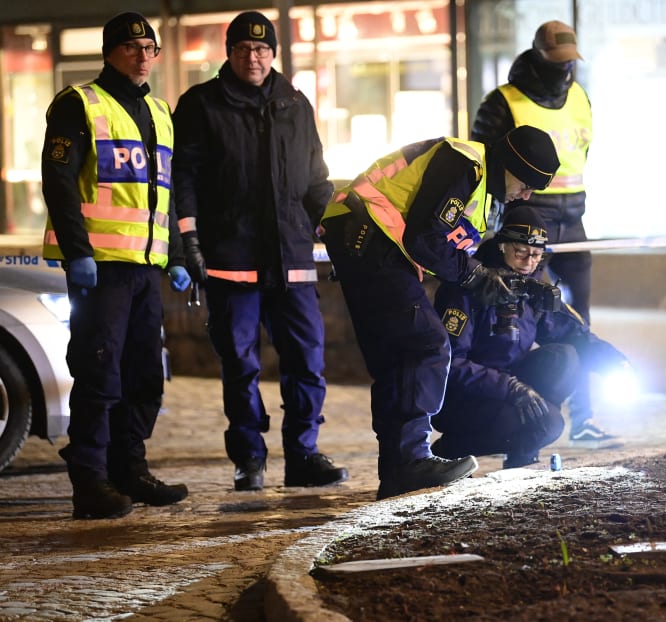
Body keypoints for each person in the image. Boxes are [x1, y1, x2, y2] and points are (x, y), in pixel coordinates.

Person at [319, 125, 559, 500]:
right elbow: (423, 238)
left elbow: (445, 251)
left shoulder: (480, 192)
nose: (525, 195)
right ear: (509, 164)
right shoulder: (464, 163)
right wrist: (474, 276)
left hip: (364, 239)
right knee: (427, 344)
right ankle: (412, 459)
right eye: (526, 183)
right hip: (369, 235)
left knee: (395, 359)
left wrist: (495, 281)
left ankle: (397, 469)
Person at [172, 11, 348, 492]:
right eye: (245, 50)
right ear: (229, 52)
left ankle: (303, 454)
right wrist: (188, 241)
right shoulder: (200, 106)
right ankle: (249, 458)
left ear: (273, 54)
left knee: (307, 360)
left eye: (263, 50)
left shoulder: (295, 103)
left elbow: (316, 181)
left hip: (291, 257)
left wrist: (338, 228)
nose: (254, 57)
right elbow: (181, 180)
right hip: (232, 258)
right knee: (241, 366)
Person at [41, 12, 192, 519]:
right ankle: (90, 482)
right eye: (131, 47)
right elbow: (59, 183)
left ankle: (130, 468)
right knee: (99, 372)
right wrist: (78, 251)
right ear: (110, 52)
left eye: (150, 48)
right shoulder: (79, 104)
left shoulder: (159, 111)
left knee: (145, 375)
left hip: (145, 267)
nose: (143, 56)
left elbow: (162, 194)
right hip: (101, 268)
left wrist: (172, 252)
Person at [471, 19, 619, 447]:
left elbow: (582, 153)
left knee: (578, 319)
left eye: (570, 62)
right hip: (527, 222)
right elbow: (487, 164)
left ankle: (586, 418)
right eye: (557, 62)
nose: (564, 69)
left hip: (574, 220)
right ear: (538, 58)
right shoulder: (503, 102)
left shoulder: (580, 96)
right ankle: (516, 413)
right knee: (521, 316)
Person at [430, 207, 630, 467]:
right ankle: (452, 449)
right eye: (521, 252)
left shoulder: (532, 289)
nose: (528, 261)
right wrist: (510, 388)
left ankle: (521, 456)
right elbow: (450, 365)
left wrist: (615, 362)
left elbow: (572, 334)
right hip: (462, 398)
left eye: (536, 255)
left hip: (507, 387)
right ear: (502, 246)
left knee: (564, 362)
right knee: (533, 423)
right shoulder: (470, 288)